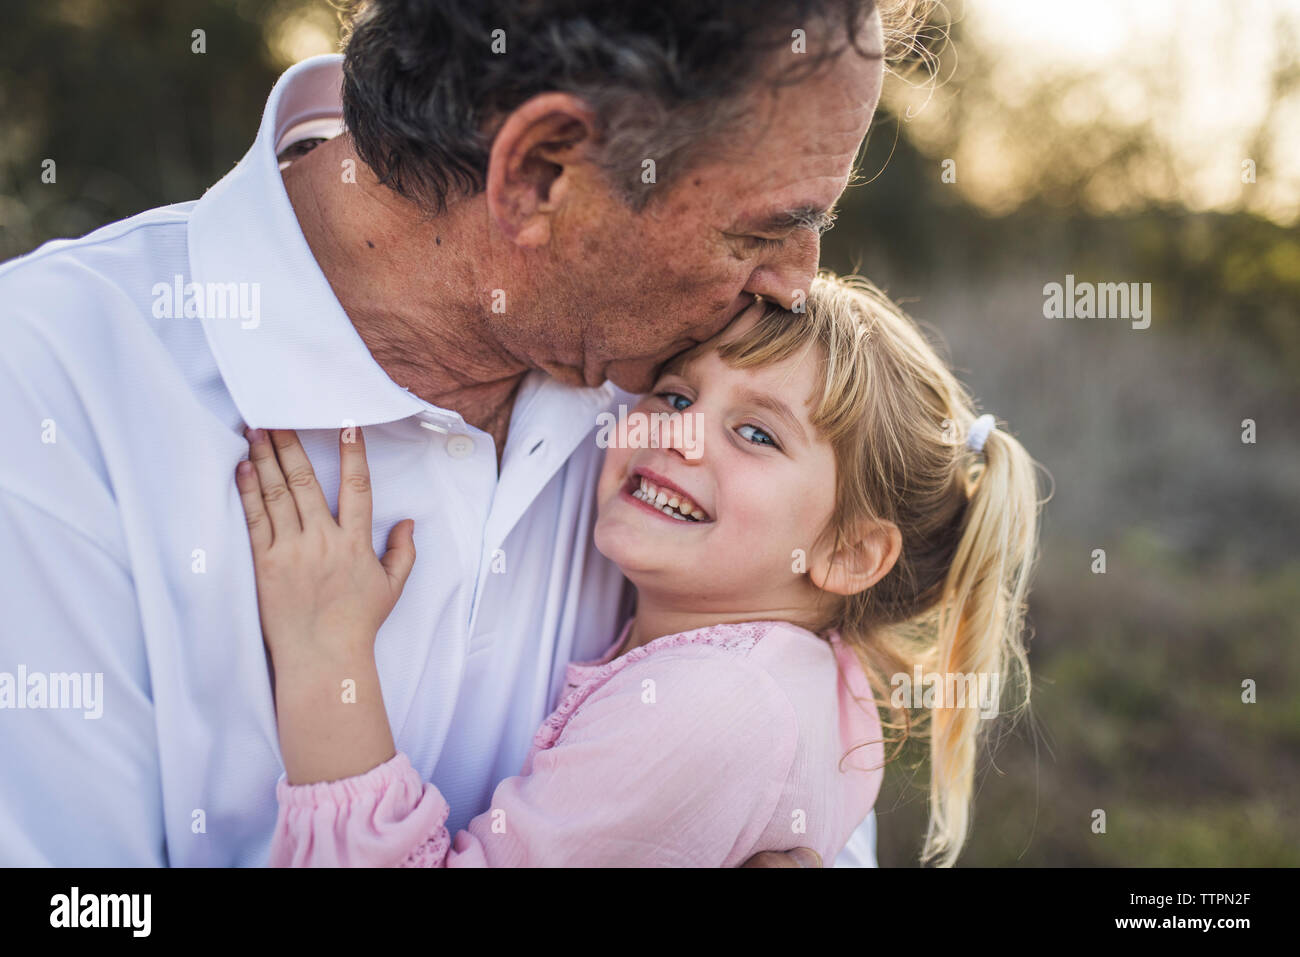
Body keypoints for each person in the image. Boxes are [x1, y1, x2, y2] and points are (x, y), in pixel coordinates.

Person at [0, 1, 896, 865]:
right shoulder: (50, 392)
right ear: (540, 174)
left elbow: (794, 791)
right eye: (766, 231)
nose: (794, 285)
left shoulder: (673, 394)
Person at [241, 274, 1041, 867]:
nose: (681, 437)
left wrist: (327, 653)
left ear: (848, 553)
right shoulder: (800, 669)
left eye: (757, 434)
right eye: (676, 394)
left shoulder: (718, 704)